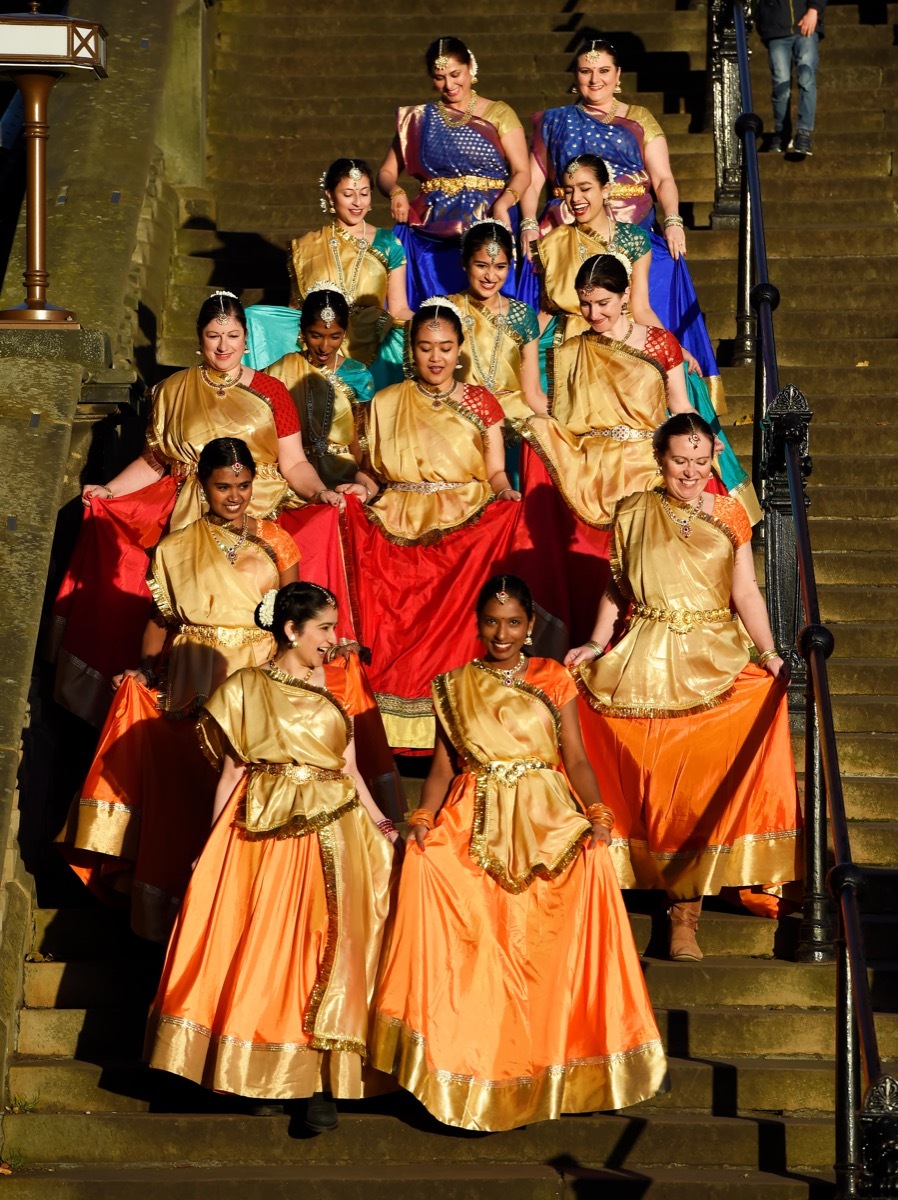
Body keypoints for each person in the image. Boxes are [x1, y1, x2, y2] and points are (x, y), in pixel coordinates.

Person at [371, 574, 667, 1131]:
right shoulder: (453, 684)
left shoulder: (553, 677)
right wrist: (422, 818)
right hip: (472, 814)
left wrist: (597, 815)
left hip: (546, 820)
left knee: (539, 942)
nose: (501, 633)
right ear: (477, 625)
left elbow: (575, 757)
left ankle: (547, 1062)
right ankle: (462, 1060)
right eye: (491, 622)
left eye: (512, 623)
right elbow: (442, 768)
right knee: (462, 918)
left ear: (531, 626)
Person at [146, 583, 397, 1131]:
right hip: (268, 831)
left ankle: (320, 1083)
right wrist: (212, 846)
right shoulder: (245, 688)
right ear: (292, 630)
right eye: (324, 629)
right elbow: (233, 772)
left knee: (330, 951)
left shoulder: (334, 684)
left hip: (337, 831)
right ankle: (263, 1069)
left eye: (333, 627)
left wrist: (382, 824)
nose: (334, 640)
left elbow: (349, 767)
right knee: (270, 952)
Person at [567, 413, 802, 962]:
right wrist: (596, 645)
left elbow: (745, 591)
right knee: (600, 731)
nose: (691, 472)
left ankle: (685, 914)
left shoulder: (730, 513)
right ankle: (611, 879)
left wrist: (768, 653)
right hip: (643, 655)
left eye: (700, 462)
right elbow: (616, 588)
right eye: (679, 462)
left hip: (715, 657)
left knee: (698, 779)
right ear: (660, 460)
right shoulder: (635, 512)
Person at [53, 291, 344, 727]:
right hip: (192, 513)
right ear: (199, 339)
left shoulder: (272, 392)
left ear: (247, 338)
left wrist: (320, 491)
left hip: (261, 512)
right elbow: (156, 460)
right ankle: (170, 705)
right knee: (178, 610)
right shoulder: (172, 390)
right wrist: (109, 492)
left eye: (232, 335)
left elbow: (295, 462)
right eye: (213, 336)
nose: (223, 346)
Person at [59, 439, 301, 941]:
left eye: (243, 485)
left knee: (249, 786)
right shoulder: (174, 548)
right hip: (192, 677)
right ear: (201, 486)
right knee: (190, 792)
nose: (234, 496)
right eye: (222, 486)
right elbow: (160, 621)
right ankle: (178, 915)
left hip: (255, 675)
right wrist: (146, 671)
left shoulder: (278, 541)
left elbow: (293, 622)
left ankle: (244, 916)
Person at [524, 37, 757, 478]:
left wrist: (672, 220)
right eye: (586, 72)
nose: (595, 80)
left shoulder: (639, 120)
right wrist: (527, 223)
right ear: (574, 79)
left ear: (618, 76)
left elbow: (664, 177)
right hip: (568, 232)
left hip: (635, 232)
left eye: (604, 72)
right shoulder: (555, 122)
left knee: (659, 309)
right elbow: (532, 183)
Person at [340, 298, 526, 750]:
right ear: (411, 350)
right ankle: (388, 730)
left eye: (445, 347)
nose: (436, 357)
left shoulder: (480, 403)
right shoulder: (383, 404)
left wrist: (505, 493)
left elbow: (496, 470)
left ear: (460, 348)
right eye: (425, 347)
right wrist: (361, 489)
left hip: (467, 523)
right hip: (396, 522)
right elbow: (368, 471)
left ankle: (465, 724)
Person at [522, 254, 726, 640]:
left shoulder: (659, 342)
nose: (593, 313)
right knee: (535, 430)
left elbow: (679, 406)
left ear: (625, 295)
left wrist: (701, 438)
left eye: (603, 303)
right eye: (585, 303)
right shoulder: (573, 347)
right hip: (590, 461)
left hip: (647, 458)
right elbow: (557, 411)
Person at [376, 36, 535, 307]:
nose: (449, 85)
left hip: (487, 218)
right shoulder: (419, 119)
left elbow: (522, 172)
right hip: (432, 224)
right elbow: (386, 174)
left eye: (455, 74)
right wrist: (396, 192)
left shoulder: (498, 112)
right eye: (439, 78)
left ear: (470, 67)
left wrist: (503, 205)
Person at [244, 159, 413, 389]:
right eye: (348, 194)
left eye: (364, 193)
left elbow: (399, 307)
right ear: (330, 196)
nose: (357, 202)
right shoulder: (305, 247)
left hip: (370, 336)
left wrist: (429, 322)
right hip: (319, 337)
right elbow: (297, 308)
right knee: (250, 317)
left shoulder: (389, 243)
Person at [264, 285, 378, 495]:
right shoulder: (279, 371)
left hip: (346, 477)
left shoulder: (358, 375)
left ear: (345, 332)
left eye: (334, 337)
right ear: (302, 329)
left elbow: (362, 442)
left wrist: (363, 483)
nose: (325, 347)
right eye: (316, 335)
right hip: (293, 478)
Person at [446, 220, 546, 421]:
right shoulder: (447, 310)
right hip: (460, 420)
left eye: (500, 266)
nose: (490, 276)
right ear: (465, 263)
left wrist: (562, 426)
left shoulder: (522, 315)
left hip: (514, 422)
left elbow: (533, 391)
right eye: (481, 265)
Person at [757, 0, 825, 156]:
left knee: (806, 76)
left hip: (806, 25)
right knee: (780, 85)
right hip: (776, 30)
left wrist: (814, 10)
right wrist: (764, 24)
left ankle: (804, 133)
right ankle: (781, 133)